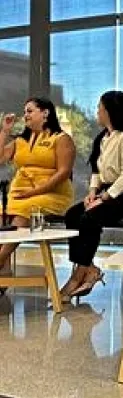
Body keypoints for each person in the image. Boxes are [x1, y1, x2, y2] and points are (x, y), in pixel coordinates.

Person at [62, 90, 123, 302]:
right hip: (110, 191)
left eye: (99, 108)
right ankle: (89, 268)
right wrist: (92, 193)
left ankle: (78, 275)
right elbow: (97, 172)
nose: (97, 112)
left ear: (110, 111)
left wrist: (103, 198)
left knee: (90, 217)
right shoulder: (103, 139)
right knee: (72, 215)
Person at [0, 97, 75, 282]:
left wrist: (33, 192)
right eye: (25, 111)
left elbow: (64, 172)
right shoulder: (20, 141)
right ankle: (4, 272)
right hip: (20, 193)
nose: (25, 115)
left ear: (45, 113)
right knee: (3, 212)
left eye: (30, 111)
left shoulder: (61, 138)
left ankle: (0, 259)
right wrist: (5, 131)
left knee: (24, 210)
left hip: (52, 193)